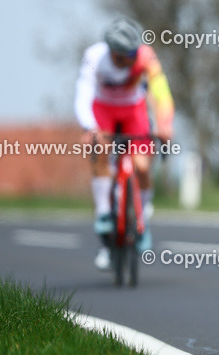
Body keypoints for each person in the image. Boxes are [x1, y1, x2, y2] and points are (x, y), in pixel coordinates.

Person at [74, 18, 175, 270]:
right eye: (126, 55)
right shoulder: (95, 57)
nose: (133, 58)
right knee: (100, 151)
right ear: (114, 53)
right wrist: (89, 127)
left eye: (134, 52)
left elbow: (160, 91)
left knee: (141, 165)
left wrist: (164, 124)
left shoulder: (145, 56)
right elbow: (83, 92)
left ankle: (143, 217)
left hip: (133, 110)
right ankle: (104, 213)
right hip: (104, 110)